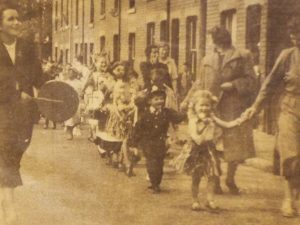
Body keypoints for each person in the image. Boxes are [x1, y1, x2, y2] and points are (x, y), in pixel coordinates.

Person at [181, 26, 257, 195]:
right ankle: (214, 179)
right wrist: (187, 100)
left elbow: (252, 81)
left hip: (233, 107)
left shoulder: (242, 56)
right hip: (211, 108)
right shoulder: (207, 59)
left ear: (225, 41)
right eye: (216, 43)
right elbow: (199, 82)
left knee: (235, 146)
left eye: (219, 43)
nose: (216, 46)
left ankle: (230, 178)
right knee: (212, 145)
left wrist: (234, 85)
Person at [243, 16, 300, 217]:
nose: (296, 38)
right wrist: (256, 107)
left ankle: (297, 198)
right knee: (290, 155)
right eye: (293, 34)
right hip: (290, 108)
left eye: (299, 34)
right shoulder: (287, 56)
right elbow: (269, 84)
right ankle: (287, 198)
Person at [0, 4, 46, 224]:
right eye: (10, 19)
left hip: (23, 115)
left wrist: (52, 96)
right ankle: (9, 210)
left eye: (18, 18)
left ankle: (4, 195)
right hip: (2, 112)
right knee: (6, 155)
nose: (16, 23)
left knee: (14, 155)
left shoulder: (27, 47)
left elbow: (38, 76)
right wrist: (17, 93)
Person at [183, 90, 246, 211]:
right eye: (201, 105)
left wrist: (240, 120)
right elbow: (197, 138)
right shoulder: (193, 120)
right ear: (194, 107)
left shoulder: (212, 118)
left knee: (212, 176)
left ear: (211, 107)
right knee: (196, 177)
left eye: (207, 105)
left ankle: (210, 200)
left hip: (209, 150)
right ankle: (195, 200)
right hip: (197, 151)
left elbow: (226, 125)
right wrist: (205, 124)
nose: (204, 108)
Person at [129, 86, 186, 193]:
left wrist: (187, 112)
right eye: (156, 99)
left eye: (161, 99)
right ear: (150, 101)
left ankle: (157, 182)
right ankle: (154, 183)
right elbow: (138, 129)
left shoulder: (166, 112)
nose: (160, 101)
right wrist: (134, 144)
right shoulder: (145, 115)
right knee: (151, 163)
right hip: (148, 143)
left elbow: (177, 118)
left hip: (161, 143)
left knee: (159, 164)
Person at [64, 66, 84, 140]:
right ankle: (69, 132)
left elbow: (81, 92)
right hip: (68, 102)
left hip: (76, 102)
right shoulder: (66, 82)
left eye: (72, 72)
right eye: (69, 72)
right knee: (69, 118)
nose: (70, 73)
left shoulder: (79, 83)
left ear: (75, 74)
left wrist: (81, 95)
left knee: (76, 117)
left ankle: (73, 128)